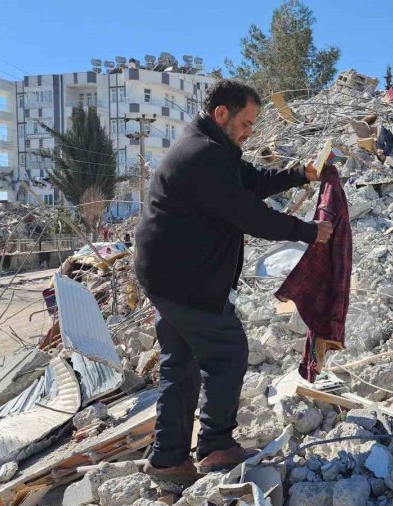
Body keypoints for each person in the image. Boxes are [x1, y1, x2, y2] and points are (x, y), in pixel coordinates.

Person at [135, 79, 332, 485]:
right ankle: (215, 447)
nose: (248, 132)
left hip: (170, 274)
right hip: (183, 280)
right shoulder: (202, 155)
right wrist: (310, 232)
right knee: (228, 351)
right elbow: (250, 214)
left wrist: (301, 174)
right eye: (245, 122)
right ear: (220, 113)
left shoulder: (214, 149)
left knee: (182, 364)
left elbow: (253, 179)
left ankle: (169, 461)